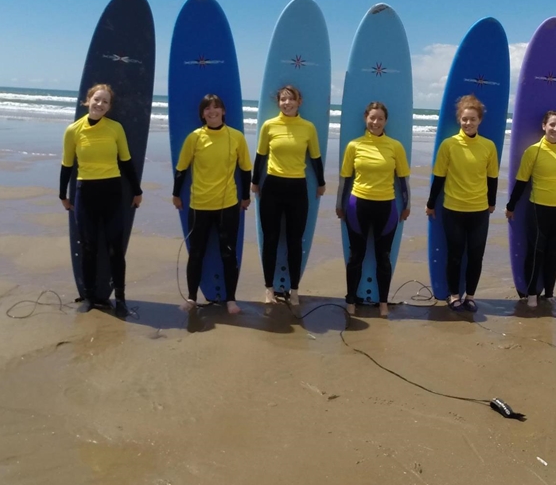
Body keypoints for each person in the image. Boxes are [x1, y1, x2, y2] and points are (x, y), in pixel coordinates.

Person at [59, 83, 142, 317]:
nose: (100, 104)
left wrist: (137, 190)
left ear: (109, 106)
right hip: (85, 192)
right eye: (97, 99)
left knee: (115, 249)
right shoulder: (73, 130)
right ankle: (89, 297)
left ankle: (122, 298)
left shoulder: (115, 128)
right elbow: (67, 165)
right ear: (88, 100)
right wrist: (62, 194)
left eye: (105, 101)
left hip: (112, 192)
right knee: (88, 248)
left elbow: (126, 161)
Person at [172, 94, 252, 315]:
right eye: (207, 108)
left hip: (228, 206)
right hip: (199, 205)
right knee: (196, 253)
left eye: (216, 107)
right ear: (202, 113)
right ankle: (191, 297)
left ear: (224, 111)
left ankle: (231, 300)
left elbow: (245, 169)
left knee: (228, 253)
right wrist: (176, 195)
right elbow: (181, 168)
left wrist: (245, 196)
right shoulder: (194, 138)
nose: (212, 111)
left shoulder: (236, 137)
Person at [252, 85, 325, 310]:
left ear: (299, 102)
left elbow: (315, 157)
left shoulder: (308, 128)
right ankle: (268, 288)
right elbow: (260, 155)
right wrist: (255, 182)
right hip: (272, 186)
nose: (287, 103)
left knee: (295, 241)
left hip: (297, 189)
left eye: (291, 99)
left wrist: (321, 182)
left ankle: (294, 290)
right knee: (271, 240)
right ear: (279, 102)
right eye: (283, 99)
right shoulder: (269, 126)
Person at [336, 102, 411, 318]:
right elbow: (345, 178)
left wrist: (407, 205)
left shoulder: (395, 146)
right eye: (372, 118)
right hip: (357, 205)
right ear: (365, 118)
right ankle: (351, 299)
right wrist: (339, 204)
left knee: (383, 257)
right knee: (356, 256)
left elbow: (403, 180)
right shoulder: (354, 146)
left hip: (387, 207)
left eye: (380, 119)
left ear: (385, 121)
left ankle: (383, 302)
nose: (375, 122)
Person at [426, 95, 498, 312]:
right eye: (465, 119)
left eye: (473, 119)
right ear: (459, 119)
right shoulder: (449, 145)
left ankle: (471, 296)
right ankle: (454, 295)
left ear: (480, 121)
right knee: (455, 255)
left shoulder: (488, 146)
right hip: (453, 209)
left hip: (479, 210)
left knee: (476, 256)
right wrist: (430, 204)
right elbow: (439, 176)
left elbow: (492, 177)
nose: (468, 123)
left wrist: (491, 203)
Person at [505, 110, 556, 307]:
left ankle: (550, 293)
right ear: (544, 126)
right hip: (538, 210)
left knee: (555, 254)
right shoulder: (533, 151)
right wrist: (511, 206)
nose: (555, 129)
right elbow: (521, 182)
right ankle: (533, 293)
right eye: (552, 124)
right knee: (536, 253)